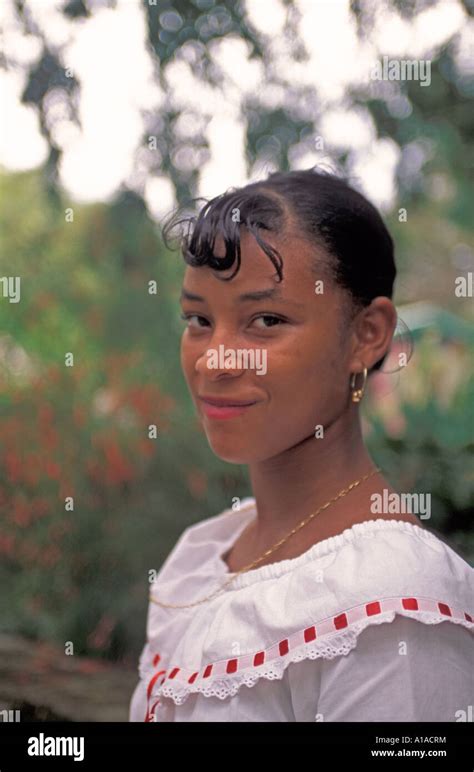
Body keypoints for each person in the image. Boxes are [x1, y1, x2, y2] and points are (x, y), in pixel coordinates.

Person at [129, 168, 473, 722]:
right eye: (198, 319)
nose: (215, 360)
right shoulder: (202, 557)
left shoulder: (389, 603)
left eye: (266, 320)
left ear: (367, 334)